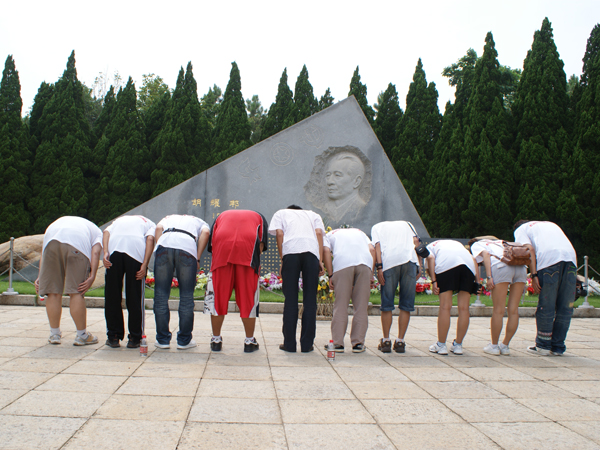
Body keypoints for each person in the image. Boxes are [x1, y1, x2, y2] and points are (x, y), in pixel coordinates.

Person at [206, 209, 268, 353]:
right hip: (247, 252)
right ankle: (249, 341)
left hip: (222, 250)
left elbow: (212, 245)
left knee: (218, 297)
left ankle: (216, 340)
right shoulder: (259, 217)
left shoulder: (221, 215)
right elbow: (261, 245)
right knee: (248, 298)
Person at [35, 216, 103, 346]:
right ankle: (82, 335)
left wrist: (40, 276)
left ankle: (54, 334)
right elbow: (95, 253)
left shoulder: (57, 223)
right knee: (76, 291)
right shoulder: (97, 232)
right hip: (77, 246)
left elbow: (44, 252)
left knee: (52, 292)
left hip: (51, 242)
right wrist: (92, 276)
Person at [513, 220, 577, 356]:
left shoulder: (521, 229)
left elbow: (529, 249)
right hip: (571, 259)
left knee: (547, 305)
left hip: (549, 262)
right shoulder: (550, 224)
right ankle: (558, 347)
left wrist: (534, 274)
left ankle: (543, 345)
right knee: (565, 307)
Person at [269, 205, 325, 353]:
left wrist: (283, 259)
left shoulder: (281, 213)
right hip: (311, 253)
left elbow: (279, 234)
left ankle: (289, 344)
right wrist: (319, 260)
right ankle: (307, 345)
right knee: (310, 300)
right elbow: (319, 233)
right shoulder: (313, 214)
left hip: (291, 253)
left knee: (291, 299)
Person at [153, 214, 210, 350]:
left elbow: (158, 228)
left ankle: (162, 340)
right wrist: (197, 257)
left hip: (164, 244)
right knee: (186, 296)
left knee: (160, 295)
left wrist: (161, 248)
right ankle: (184, 340)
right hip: (187, 247)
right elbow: (206, 233)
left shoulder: (168, 218)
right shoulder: (200, 221)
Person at [103, 215, 156, 349]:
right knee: (134, 295)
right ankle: (135, 337)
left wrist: (105, 253)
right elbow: (150, 239)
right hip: (135, 252)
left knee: (112, 295)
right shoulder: (150, 223)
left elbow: (106, 232)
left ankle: (113, 336)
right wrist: (145, 264)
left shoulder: (118, 220)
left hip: (114, 250)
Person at [469, 238, 526, 356]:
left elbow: (485, 254)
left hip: (501, 266)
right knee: (514, 310)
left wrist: (489, 277)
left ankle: (494, 346)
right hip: (521, 266)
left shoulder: (477, 244)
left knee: (498, 310)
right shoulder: (500, 242)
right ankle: (505, 345)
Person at [371, 221, 421, 353]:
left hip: (389, 262)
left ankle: (386, 340)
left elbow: (377, 246)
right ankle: (400, 341)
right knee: (406, 303)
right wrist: (420, 265)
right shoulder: (408, 224)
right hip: (410, 261)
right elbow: (416, 242)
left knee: (387, 302)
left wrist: (379, 267)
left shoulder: (377, 227)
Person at [322, 227, 375, 353]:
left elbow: (326, 250)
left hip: (342, 264)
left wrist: (331, 274)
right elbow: (372, 250)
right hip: (364, 264)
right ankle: (358, 344)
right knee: (361, 306)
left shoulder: (329, 235)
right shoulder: (361, 232)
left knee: (341, 304)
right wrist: (371, 273)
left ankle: (337, 343)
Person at [426, 239, 477, 355]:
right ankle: (458, 345)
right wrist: (477, 282)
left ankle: (441, 345)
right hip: (468, 267)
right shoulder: (457, 244)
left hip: (446, 265)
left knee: (445, 307)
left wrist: (434, 281)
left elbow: (431, 259)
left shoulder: (430, 247)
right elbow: (473, 259)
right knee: (464, 308)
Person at [324, 152, 367, 222]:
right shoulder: (327, 208)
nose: (329, 182)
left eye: (337, 175)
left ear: (356, 181)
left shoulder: (362, 208)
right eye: (328, 175)